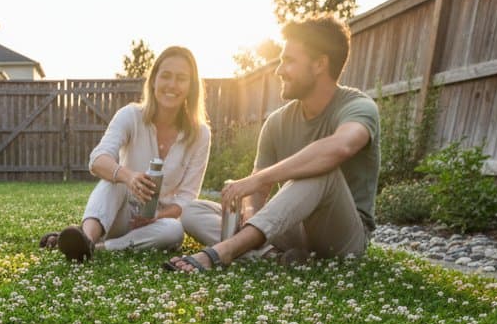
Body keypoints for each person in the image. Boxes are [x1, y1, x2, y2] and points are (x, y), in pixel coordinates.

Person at [169, 14, 379, 273]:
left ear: (319, 64)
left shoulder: (358, 107)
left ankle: (223, 252)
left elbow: (340, 147)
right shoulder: (278, 122)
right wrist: (250, 211)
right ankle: (271, 257)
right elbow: (256, 196)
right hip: (291, 226)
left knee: (320, 170)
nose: (279, 70)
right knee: (193, 211)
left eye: (288, 61)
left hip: (342, 236)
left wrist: (258, 180)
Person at [39, 45, 211, 261]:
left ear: (191, 86)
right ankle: (88, 237)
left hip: (155, 223)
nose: (172, 85)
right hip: (117, 212)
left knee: (174, 232)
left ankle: (96, 248)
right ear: (154, 80)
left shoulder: (200, 134)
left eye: (181, 78)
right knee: (114, 180)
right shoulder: (131, 115)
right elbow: (97, 159)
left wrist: (157, 215)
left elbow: (187, 197)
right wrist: (129, 177)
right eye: (165, 76)